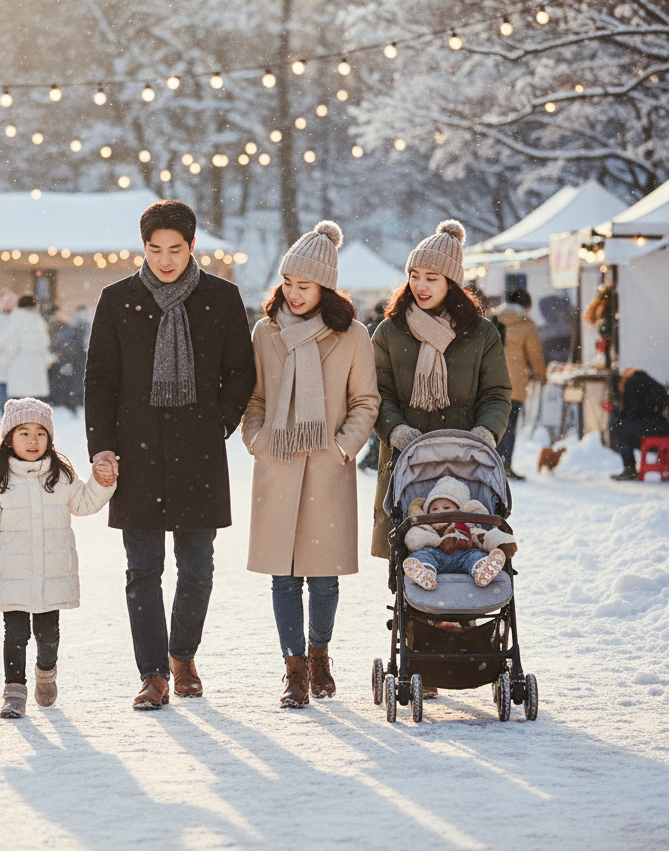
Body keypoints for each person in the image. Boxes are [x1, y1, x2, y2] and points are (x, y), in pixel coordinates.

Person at [85, 199, 256, 710]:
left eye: (175, 249)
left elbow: (242, 371)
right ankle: (154, 673)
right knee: (142, 568)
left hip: (198, 452)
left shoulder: (221, 298)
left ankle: (183, 655)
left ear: (192, 246)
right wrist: (103, 447)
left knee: (197, 567)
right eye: (155, 249)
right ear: (143, 248)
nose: (165, 259)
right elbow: (100, 379)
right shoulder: (118, 299)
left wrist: (218, 422)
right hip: (135, 451)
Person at [241, 221, 380, 709]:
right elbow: (254, 397)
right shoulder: (266, 331)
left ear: (325, 287)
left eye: (304, 286)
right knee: (284, 575)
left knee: (323, 576)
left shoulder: (353, 335)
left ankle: (320, 654)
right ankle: (294, 667)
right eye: (288, 284)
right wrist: (256, 438)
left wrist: (343, 447)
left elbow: (366, 401)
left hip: (326, 467)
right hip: (277, 463)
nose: (294, 294)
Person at [0, 398, 116, 719]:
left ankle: (46, 674)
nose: (32, 441)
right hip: (11, 574)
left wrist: (103, 484)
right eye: (23, 433)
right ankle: (14, 692)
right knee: (15, 635)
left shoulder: (59, 476)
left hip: (52, 574)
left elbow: (85, 503)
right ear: (9, 438)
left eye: (40, 434)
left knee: (48, 636)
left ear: (49, 439)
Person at [371, 220, 511, 564]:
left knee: (467, 540)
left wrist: (485, 432)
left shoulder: (481, 334)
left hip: (465, 460)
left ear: (451, 282)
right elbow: (377, 392)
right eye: (414, 275)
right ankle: (419, 612)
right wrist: (395, 429)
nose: (420, 285)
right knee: (412, 543)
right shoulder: (390, 332)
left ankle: (459, 609)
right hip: (408, 462)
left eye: (431, 278)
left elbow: (496, 393)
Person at [402, 477, 514, 590]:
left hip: (464, 555)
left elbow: (482, 536)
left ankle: (482, 569)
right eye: (434, 509)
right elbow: (413, 539)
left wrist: (501, 543)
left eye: (446, 507)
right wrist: (439, 541)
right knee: (421, 555)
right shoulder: (424, 525)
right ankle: (426, 573)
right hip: (434, 556)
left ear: (459, 509)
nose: (439, 511)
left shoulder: (468, 524)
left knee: (476, 555)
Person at [493, 289, 547, 480]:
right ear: (526, 306)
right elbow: (535, 354)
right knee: (509, 426)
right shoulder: (526, 325)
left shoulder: (492, 318)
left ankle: (492, 465)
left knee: (492, 424)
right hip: (513, 385)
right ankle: (506, 464)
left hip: (489, 383)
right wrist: (541, 374)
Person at [610, 368, 669, 480]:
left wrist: (617, 413)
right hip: (662, 427)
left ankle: (629, 468)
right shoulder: (655, 384)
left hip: (648, 427)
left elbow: (630, 414)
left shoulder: (630, 384)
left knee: (617, 425)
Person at [0, 295, 52, 401]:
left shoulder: (15, 320)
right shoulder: (38, 321)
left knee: (19, 400)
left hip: (19, 362)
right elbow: (45, 342)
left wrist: (3, 361)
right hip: (37, 363)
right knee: (35, 401)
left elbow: (9, 343)